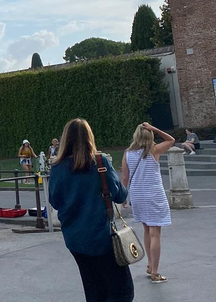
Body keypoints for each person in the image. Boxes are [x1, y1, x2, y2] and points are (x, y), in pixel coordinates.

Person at [49, 118, 133, 302]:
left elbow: (54, 201)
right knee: (121, 291)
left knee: (93, 289)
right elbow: (119, 196)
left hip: (75, 238)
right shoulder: (99, 162)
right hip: (102, 236)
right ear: (90, 137)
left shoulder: (57, 167)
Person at [123, 122, 174, 284]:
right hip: (153, 194)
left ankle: (150, 265)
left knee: (146, 229)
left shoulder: (128, 153)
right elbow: (171, 140)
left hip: (137, 195)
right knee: (155, 232)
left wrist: (124, 196)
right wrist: (155, 129)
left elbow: (124, 178)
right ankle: (155, 272)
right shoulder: (154, 150)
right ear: (149, 136)